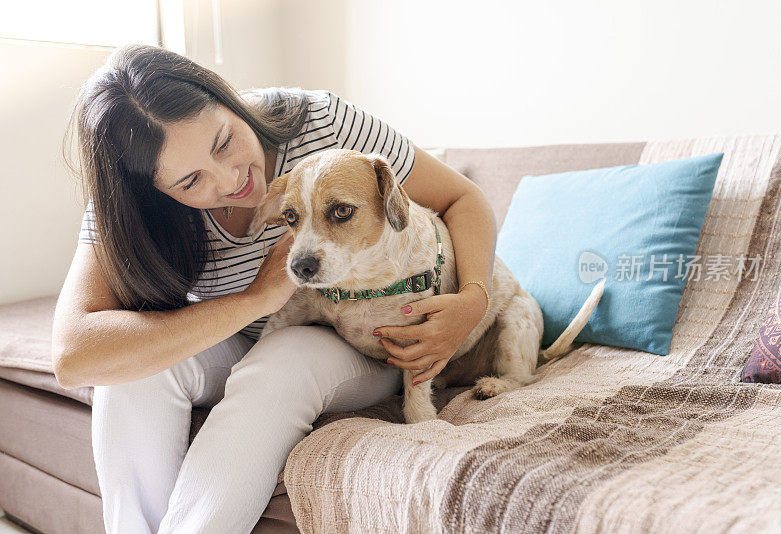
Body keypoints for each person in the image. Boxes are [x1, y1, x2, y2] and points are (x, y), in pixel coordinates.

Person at [52, 43, 496, 533]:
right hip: (239, 326)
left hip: (356, 335)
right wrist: (256, 299)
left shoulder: (321, 124)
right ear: (152, 190)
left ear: (226, 99)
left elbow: (462, 198)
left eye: (223, 141)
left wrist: (473, 300)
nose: (232, 179)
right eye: (190, 181)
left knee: (278, 364)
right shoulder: (128, 204)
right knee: (134, 368)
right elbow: (74, 355)